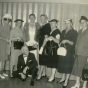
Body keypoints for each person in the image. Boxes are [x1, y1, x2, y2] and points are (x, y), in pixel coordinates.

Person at [57, 19, 78, 88]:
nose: (67, 25)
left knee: (68, 66)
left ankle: (66, 80)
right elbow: (60, 40)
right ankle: (63, 78)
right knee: (63, 65)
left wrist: (66, 40)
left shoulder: (74, 32)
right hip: (62, 51)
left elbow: (73, 43)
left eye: (68, 23)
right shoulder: (63, 31)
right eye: (66, 23)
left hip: (69, 51)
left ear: (71, 24)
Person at [71, 16, 88, 88]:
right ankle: (77, 83)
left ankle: (84, 85)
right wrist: (75, 52)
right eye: (81, 23)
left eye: (83, 22)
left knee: (85, 70)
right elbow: (77, 43)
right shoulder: (80, 31)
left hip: (85, 54)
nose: (82, 24)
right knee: (78, 69)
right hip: (78, 53)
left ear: (87, 22)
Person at [36, 14, 51, 80]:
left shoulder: (47, 26)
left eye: (43, 18)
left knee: (42, 60)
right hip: (41, 44)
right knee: (43, 59)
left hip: (44, 45)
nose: (42, 20)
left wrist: (42, 47)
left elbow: (46, 37)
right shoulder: (42, 26)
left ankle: (40, 75)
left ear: (46, 19)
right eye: (41, 18)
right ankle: (44, 73)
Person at [0, 13, 12, 79]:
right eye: (5, 19)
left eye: (8, 20)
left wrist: (8, 39)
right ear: (3, 20)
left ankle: (2, 71)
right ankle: (0, 73)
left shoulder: (8, 27)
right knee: (1, 59)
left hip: (6, 44)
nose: (7, 21)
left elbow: (8, 35)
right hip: (1, 43)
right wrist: (5, 39)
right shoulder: (1, 26)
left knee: (4, 58)